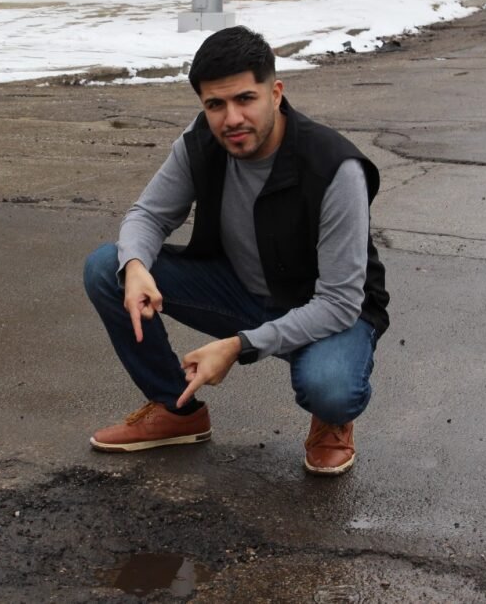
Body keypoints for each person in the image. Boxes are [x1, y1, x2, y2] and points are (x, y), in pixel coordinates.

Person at [82, 26, 389, 475]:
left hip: (327, 313)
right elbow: (148, 215)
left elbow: (341, 303)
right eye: (215, 105)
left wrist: (239, 346)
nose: (231, 119)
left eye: (245, 99)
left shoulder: (334, 168)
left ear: (276, 93)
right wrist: (135, 266)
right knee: (107, 267)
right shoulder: (200, 143)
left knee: (331, 385)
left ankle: (333, 421)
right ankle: (176, 409)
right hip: (239, 291)